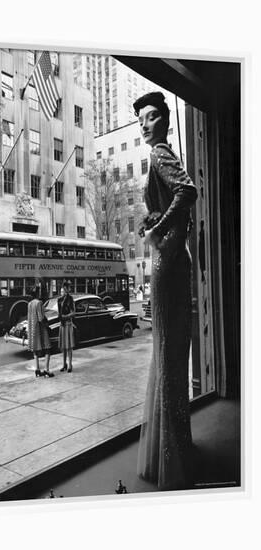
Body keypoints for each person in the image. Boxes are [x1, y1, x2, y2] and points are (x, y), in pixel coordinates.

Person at [133, 91, 197, 490]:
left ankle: (171, 457)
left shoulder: (159, 153)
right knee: (171, 356)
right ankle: (176, 450)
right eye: (141, 119)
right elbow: (179, 197)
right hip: (174, 261)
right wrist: (155, 221)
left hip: (166, 263)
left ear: (166, 121)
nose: (145, 124)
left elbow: (187, 192)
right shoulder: (164, 154)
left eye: (152, 117)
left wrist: (157, 229)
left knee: (169, 356)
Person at [27, 285, 54, 378]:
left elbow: (30, 318)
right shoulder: (39, 303)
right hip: (40, 329)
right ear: (37, 293)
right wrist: (47, 325)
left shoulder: (29, 304)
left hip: (33, 330)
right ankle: (46, 370)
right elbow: (41, 318)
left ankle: (37, 370)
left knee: (36, 350)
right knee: (47, 348)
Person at [58, 282, 75, 373]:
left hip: (68, 324)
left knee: (69, 346)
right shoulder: (59, 300)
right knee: (63, 346)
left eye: (63, 291)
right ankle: (64, 364)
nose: (62, 293)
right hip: (62, 325)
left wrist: (65, 316)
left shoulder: (70, 299)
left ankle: (70, 364)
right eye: (61, 291)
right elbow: (59, 312)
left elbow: (73, 312)